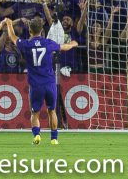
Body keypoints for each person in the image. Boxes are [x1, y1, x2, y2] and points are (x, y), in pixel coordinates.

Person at [6, 17, 78, 145]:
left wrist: (9, 24)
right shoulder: (48, 43)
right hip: (49, 83)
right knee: (52, 111)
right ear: (41, 31)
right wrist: (73, 44)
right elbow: (64, 47)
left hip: (35, 85)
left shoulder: (26, 44)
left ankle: (37, 135)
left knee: (35, 112)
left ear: (30, 30)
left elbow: (12, 37)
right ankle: (54, 138)